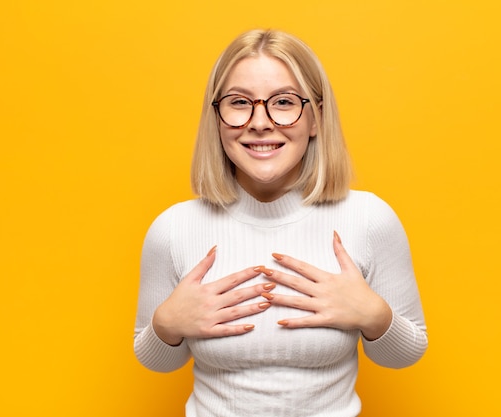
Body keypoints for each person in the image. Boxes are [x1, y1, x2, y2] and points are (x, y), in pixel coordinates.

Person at [134, 29, 428, 417]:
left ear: (316, 119)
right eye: (240, 102)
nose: (260, 122)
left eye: (284, 102)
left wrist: (374, 315)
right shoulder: (173, 229)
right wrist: (166, 325)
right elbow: (156, 361)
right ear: (217, 117)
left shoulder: (369, 220)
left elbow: (404, 355)